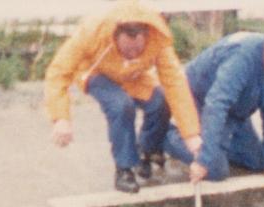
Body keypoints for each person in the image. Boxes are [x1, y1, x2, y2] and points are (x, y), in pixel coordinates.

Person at [44, 1, 202, 194]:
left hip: (133, 76)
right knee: (121, 105)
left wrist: (191, 135)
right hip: (96, 72)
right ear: (115, 35)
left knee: (161, 101)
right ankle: (124, 168)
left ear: (146, 35)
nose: (132, 54)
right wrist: (61, 118)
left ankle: (147, 150)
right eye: (127, 50)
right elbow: (58, 72)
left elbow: (176, 84)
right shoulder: (92, 31)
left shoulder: (158, 41)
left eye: (138, 50)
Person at [162, 24, 264, 193]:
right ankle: (168, 137)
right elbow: (216, 104)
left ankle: (219, 145)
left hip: (234, 114)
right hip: (199, 103)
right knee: (215, 169)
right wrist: (204, 158)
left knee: (260, 163)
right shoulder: (242, 57)